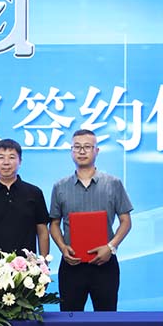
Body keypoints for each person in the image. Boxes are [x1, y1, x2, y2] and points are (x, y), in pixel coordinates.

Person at [50, 129, 133, 311]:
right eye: (77, 147)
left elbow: (126, 221)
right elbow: (54, 224)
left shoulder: (113, 183)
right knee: (69, 320)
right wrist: (63, 248)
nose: (82, 151)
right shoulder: (60, 186)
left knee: (106, 320)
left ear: (97, 151)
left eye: (87, 147)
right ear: (71, 151)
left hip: (105, 263)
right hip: (72, 263)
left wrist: (110, 247)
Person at [0, 138, 50, 259]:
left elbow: (42, 231)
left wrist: (44, 262)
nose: (6, 162)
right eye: (1, 157)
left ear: (20, 161)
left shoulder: (34, 193)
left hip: (27, 266)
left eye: (12, 157)